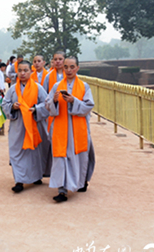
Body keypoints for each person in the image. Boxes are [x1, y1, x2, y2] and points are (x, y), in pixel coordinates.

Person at [45, 56, 95, 203]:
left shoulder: (84, 86)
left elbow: (88, 106)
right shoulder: (56, 86)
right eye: (66, 67)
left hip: (76, 130)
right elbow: (48, 105)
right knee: (60, 158)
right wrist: (54, 100)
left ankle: (81, 181)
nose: (68, 70)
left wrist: (74, 101)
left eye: (72, 67)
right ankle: (62, 190)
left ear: (77, 68)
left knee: (79, 157)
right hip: (60, 129)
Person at [2, 60, 51, 193]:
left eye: (25, 70)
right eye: (20, 70)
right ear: (16, 72)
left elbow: (47, 105)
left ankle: (36, 176)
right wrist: (12, 106)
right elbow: (4, 104)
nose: (22, 73)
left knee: (35, 153)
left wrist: (36, 109)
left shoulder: (38, 88)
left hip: (35, 126)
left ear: (31, 71)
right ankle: (19, 180)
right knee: (17, 153)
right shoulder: (12, 90)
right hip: (18, 127)